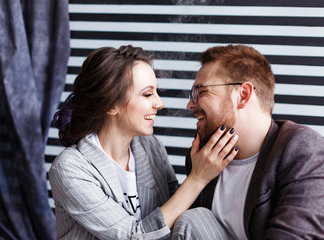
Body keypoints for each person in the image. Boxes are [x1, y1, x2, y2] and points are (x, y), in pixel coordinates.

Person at [48, 45, 239, 239]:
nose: (159, 103)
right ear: (111, 105)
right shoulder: (70, 168)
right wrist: (198, 178)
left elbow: (176, 212)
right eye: (148, 94)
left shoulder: (151, 147)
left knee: (198, 218)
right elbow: (132, 236)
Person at [181, 44, 324, 239]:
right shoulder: (201, 160)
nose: (190, 104)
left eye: (202, 92)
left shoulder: (303, 150)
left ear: (243, 95)